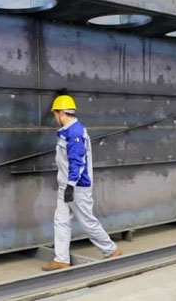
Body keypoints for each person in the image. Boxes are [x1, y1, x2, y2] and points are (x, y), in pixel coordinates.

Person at [42, 95, 121, 271]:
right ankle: (61, 259)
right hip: (66, 185)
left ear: (62, 113)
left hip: (76, 186)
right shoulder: (68, 131)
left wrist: (71, 185)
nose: (55, 117)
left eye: (55, 114)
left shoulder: (75, 133)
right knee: (61, 220)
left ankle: (111, 250)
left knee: (87, 222)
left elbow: (77, 162)